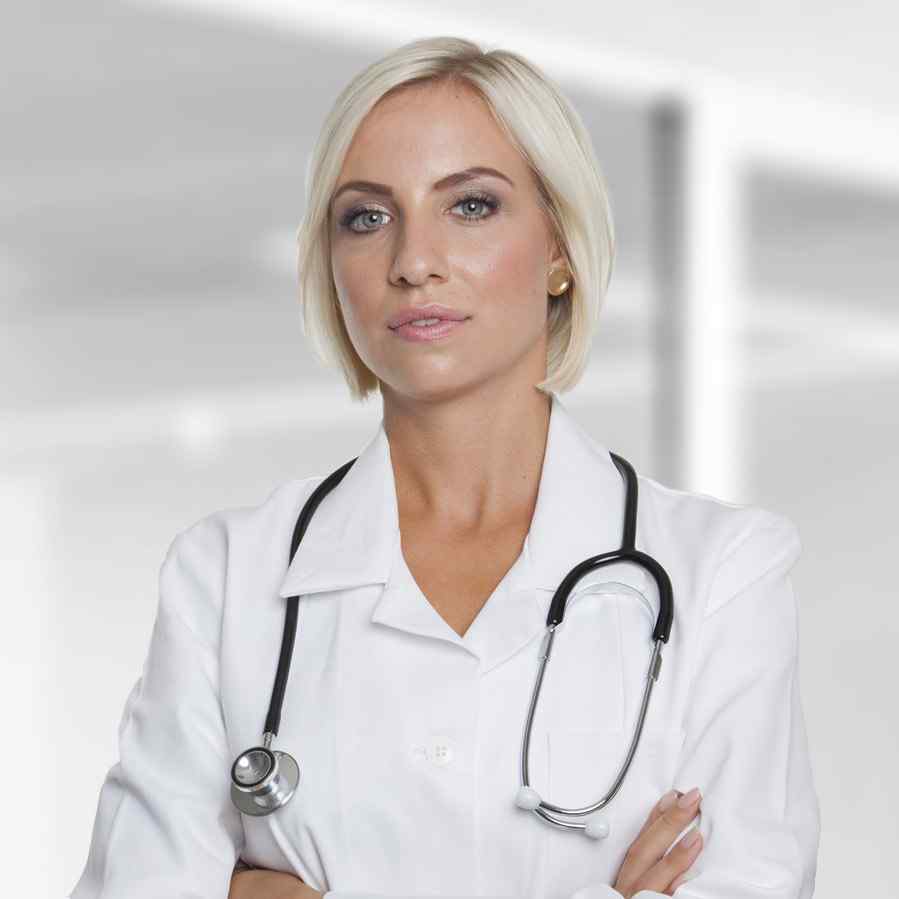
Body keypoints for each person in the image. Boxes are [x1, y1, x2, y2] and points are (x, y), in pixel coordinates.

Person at [68, 35, 820, 899]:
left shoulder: (720, 574)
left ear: (558, 249)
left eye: (469, 205)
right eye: (366, 217)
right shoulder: (227, 577)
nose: (412, 261)